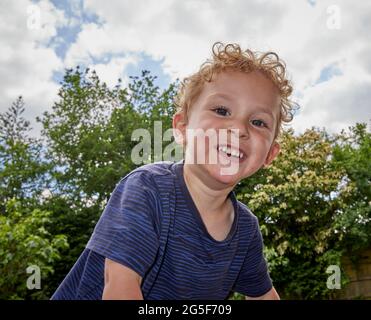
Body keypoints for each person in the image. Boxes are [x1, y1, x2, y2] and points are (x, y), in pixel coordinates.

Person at [51, 42, 296, 300]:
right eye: (222, 111)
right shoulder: (147, 189)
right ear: (182, 128)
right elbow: (119, 286)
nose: (239, 128)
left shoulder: (246, 228)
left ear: (270, 154)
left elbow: (264, 296)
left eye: (258, 122)